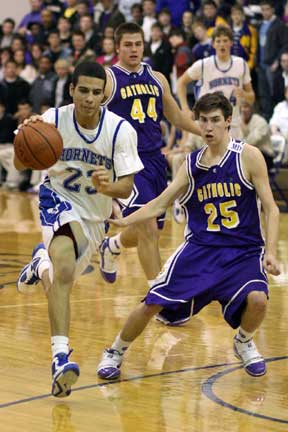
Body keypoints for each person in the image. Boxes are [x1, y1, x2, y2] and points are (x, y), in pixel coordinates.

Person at [96, 92, 280, 380]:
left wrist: (270, 252)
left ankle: (243, 341)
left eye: (215, 121)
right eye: (203, 120)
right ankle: (115, 351)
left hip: (243, 250)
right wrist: (124, 221)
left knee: (258, 300)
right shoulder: (192, 164)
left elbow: (271, 208)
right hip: (201, 249)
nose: (208, 127)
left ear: (228, 121)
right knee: (151, 303)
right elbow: (160, 203)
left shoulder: (248, 156)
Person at [15, 61, 143, 397]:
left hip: (95, 217)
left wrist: (109, 186)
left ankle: (40, 263)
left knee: (63, 276)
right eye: (82, 90)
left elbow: (127, 187)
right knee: (68, 268)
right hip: (57, 199)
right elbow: (19, 162)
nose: (88, 98)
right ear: (71, 90)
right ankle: (59, 357)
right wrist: (26, 136)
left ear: (104, 94)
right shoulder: (53, 120)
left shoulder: (120, 130)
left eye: (95, 92)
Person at [99, 22, 200, 325]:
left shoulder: (156, 78)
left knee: (148, 228)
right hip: (127, 163)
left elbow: (176, 116)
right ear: (117, 47)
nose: (134, 50)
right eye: (128, 44)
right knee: (148, 230)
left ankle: (112, 245)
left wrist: (210, 134)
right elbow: (85, 112)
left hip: (155, 161)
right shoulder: (108, 78)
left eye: (138, 44)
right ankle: (160, 300)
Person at [177, 25, 255, 139]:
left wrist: (244, 94)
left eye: (225, 40)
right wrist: (185, 109)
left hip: (233, 125)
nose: (222, 44)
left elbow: (252, 98)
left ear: (231, 43)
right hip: (208, 125)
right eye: (218, 41)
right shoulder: (203, 64)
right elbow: (181, 83)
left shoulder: (241, 64)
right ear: (213, 44)